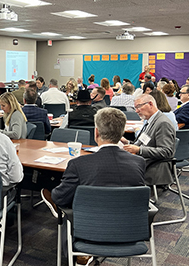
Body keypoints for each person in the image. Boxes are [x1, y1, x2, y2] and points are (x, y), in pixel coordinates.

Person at [42, 107, 145, 265]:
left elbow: (58, 197)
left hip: (88, 230)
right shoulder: (139, 163)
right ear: (122, 133)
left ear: (96, 133)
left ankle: (81, 254)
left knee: (65, 201)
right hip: (130, 231)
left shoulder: (78, 164)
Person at [122, 94, 176, 185]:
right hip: (144, 162)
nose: (136, 111)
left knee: (115, 168)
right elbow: (145, 142)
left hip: (153, 167)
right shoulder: (150, 121)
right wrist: (126, 142)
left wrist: (139, 150)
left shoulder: (162, 123)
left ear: (150, 104)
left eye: (138, 107)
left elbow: (167, 151)